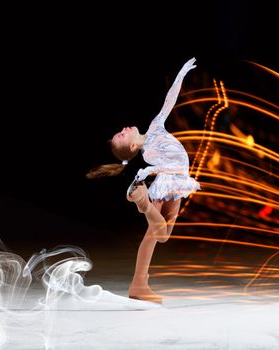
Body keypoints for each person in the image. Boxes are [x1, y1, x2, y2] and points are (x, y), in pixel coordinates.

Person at [86, 57, 201, 303]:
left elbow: (169, 100)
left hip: (177, 180)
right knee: (157, 235)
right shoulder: (149, 147)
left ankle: (139, 283)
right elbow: (164, 165)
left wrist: (181, 75)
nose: (124, 129)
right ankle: (145, 206)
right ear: (133, 145)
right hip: (170, 181)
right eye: (122, 135)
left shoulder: (154, 127)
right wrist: (147, 173)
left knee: (160, 235)